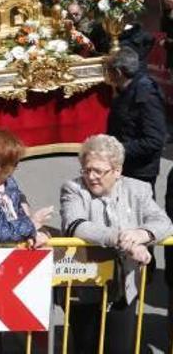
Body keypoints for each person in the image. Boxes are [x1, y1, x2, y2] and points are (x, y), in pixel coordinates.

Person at [60, 134, 173, 353]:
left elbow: (164, 223)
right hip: (85, 286)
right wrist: (122, 239)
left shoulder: (138, 189)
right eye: (86, 169)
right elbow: (77, 225)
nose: (91, 177)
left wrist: (142, 234)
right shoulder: (73, 189)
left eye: (99, 171)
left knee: (120, 347)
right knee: (87, 346)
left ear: (117, 171)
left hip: (125, 287)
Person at [106, 47, 166, 193]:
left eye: (108, 71)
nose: (107, 76)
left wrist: (118, 149)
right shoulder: (124, 91)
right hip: (125, 165)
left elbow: (154, 140)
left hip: (140, 171)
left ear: (119, 72)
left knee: (140, 212)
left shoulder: (146, 95)